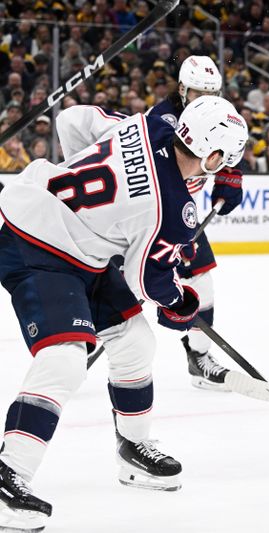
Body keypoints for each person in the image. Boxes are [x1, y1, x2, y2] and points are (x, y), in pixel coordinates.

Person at [0, 96, 249, 530]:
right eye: (224, 160)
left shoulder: (151, 123)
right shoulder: (174, 211)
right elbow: (148, 283)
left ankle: (133, 449)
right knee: (64, 358)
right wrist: (181, 304)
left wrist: (100, 213)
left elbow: (74, 119)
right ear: (211, 157)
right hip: (36, 242)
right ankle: (8, 474)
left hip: (72, 239)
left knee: (135, 342)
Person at [147, 55, 244, 391]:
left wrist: (231, 174)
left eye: (212, 94)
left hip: (183, 214)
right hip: (150, 214)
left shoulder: (216, 114)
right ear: (182, 89)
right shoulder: (162, 119)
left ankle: (199, 358)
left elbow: (230, 144)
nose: (206, 100)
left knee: (203, 284)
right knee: (123, 287)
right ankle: (84, 338)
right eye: (198, 93)